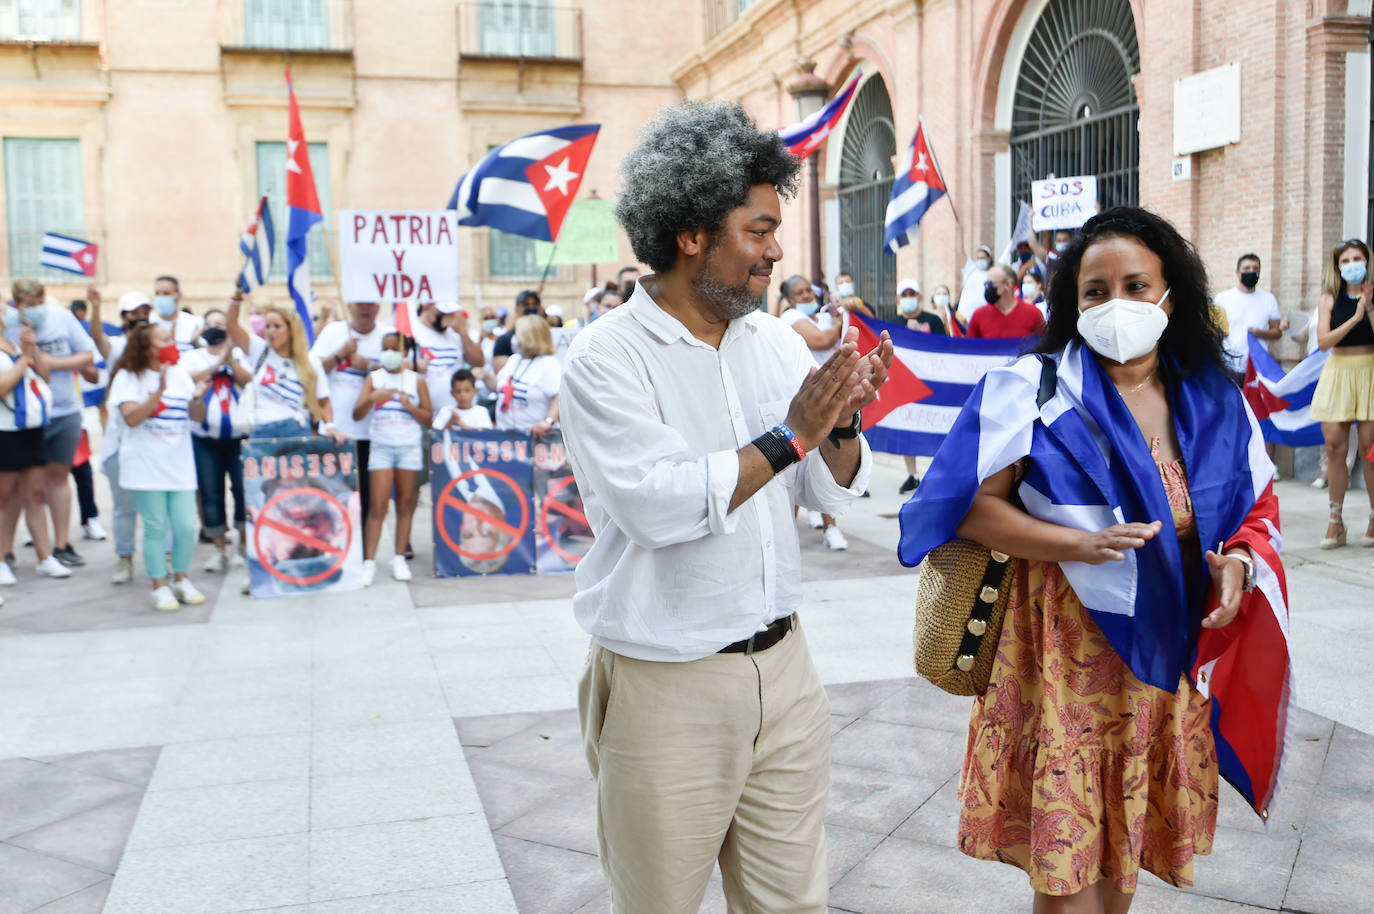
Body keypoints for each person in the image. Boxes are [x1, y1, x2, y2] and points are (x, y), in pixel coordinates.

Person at [899, 206, 1290, 913]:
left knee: (1119, 865)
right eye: (1096, 291)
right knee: (1067, 876)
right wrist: (1076, 544)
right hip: (1062, 662)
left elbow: (1255, 506)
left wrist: (1237, 561)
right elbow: (967, 506)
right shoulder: (1033, 390)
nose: (1117, 305)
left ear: (1171, 295)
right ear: (1073, 305)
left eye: (1136, 286)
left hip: (1159, 664)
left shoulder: (1214, 402)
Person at [561, 100, 892, 914]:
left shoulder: (774, 342)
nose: (776, 251)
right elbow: (657, 507)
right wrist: (794, 433)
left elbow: (825, 490)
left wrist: (841, 421)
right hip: (665, 685)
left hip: (785, 672)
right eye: (758, 230)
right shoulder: (606, 357)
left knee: (793, 904)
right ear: (691, 235)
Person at [108, 321, 210, 611]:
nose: (171, 345)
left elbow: (197, 417)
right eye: (164, 340)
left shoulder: (180, 374)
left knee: (185, 526)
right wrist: (159, 390)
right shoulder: (128, 377)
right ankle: (159, 585)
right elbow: (131, 418)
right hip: (145, 466)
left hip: (179, 464)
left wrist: (198, 398)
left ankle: (181, 578)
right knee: (155, 526)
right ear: (147, 347)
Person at [3, 279, 95, 569]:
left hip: (64, 411)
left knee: (57, 479)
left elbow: (87, 355)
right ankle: (7, 552)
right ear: (18, 305)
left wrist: (52, 362)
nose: (36, 308)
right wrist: (27, 352)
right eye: (29, 304)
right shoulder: (9, 326)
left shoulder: (62, 317)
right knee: (17, 489)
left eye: (39, 301)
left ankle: (61, 546)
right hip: (23, 420)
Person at [0, 300, 69, 585]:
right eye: (2, 306)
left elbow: (45, 377)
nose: (8, 310)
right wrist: (25, 357)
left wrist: (32, 350)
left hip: (30, 428)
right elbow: (2, 387)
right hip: (4, 430)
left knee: (36, 494)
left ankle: (45, 557)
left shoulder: (15, 343)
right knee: (4, 497)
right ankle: (2, 560)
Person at [1311, 239, 1374, 549]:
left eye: (1357, 258)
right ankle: (1336, 522)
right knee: (1335, 448)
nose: (1352, 265)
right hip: (1338, 373)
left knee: (1370, 450)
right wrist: (1355, 317)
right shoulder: (1329, 299)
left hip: (1370, 372)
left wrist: (1369, 307)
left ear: (1367, 261)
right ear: (1337, 266)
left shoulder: (1372, 295)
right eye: (1345, 260)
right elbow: (1324, 341)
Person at [354, 331, 431, 585]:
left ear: (405, 352)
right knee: (378, 506)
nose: (389, 353)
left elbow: (428, 417)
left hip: (409, 446)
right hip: (382, 447)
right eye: (385, 348)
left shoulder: (416, 380)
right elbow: (357, 414)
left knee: (406, 503)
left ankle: (399, 558)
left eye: (394, 349)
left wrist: (410, 406)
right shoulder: (374, 378)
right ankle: (369, 562)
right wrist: (373, 398)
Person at [780, 274, 851, 550]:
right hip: (803, 403)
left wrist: (845, 311)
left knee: (825, 466)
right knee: (796, 464)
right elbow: (822, 340)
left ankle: (831, 527)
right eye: (800, 293)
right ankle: (787, 532)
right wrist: (841, 322)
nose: (807, 296)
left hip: (830, 400)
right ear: (789, 299)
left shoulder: (823, 316)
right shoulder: (790, 318)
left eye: (809, 290)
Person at [311, 300, 393, 527]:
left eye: (371, 303)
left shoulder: (388, 335)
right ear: (349, 306)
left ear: (379, 307)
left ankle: (365, 545)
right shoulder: (332, 331)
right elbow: (313, 371)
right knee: (334, 499)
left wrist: (369, 366)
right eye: (360, 303)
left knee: (369, 500)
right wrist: (340, 355)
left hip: (375, 433)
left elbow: (401, 374)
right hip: (336, 431)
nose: (365, 308)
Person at [90, 289, 153, 584]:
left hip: (154, 442)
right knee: (124, 507)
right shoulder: (116, 347)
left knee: (157, 508)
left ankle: (163, 560)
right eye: (134, 312)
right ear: (124, 316)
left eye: (145, 311)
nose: (140, 317)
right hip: (120, 443)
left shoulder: (158, 348)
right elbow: (98, 339)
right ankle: (124, 558)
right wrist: (95, 306)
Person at [226, 293, 344, 442]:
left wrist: (330, 427)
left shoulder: (310, 360)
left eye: (277, 326)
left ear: (291, 329)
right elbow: (231, 325)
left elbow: (324, 399)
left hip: (296, 429)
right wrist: (237, 294)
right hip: (262, 430)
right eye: (267, 326)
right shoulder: (260, 350)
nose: (271, 331)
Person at [183, 322, 250, 572]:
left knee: (243, 490)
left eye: (219, 324)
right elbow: (189, 379)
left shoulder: (242, 354)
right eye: (209, 324)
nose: (215, 329)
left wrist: (230, 359)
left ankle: (243, 547)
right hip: (205, 439)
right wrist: (218, 361)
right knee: (210, 493)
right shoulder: (192, 357)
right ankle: (219, 550)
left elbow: (250, 381)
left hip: (239, 438)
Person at [489, 315, 561, 438]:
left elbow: (560, 397)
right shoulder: (514, 359)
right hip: (508, 437)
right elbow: (500, 386)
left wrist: (548, 422)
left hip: (537, 438)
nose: (514, 337)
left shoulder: (548, 363)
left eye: (517, 333)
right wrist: (484, 376)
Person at [1214, 253, 1282, 377]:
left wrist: (1260, 333)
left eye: (1255, 268)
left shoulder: (1269, 299)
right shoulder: (1222, 299)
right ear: (1238, 272)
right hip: (1228, 365)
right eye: (1246, 268)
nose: (1251, 271)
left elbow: (1277, 332)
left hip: (1257, 367)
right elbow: (1214, 331)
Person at [410, 301, 484, 413]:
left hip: (457, 412)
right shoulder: (411, 330)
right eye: (442, 312)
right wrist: (413, 365)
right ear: (426, 307)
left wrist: (463, 332)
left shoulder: (455, 333)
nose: (447, 317)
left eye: (451, 313)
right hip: (424, 413)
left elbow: (478, 362)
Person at [966, 264, 1046, 339]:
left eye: (990, 284)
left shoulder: (1033, 314)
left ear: (1007, 284)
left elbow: (1044, 344)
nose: (987, 287)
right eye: (986, 283)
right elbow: (969, 347)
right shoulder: (979, 315)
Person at [491, 290, 542, 374]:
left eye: (535, 304)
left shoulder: (547, 336)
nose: (531, 308)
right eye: (526, 305)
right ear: (517, 309)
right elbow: (502, 375)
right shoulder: (504, 340)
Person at [151, 275, 205, 355]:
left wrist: (195, 342)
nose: (161, 297)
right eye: (157, 293)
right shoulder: (149, 322)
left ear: (179, 296)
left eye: (166, 293)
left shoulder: (196, 322)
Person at [432, 368, 493, 434]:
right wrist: (450, 422)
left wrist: (459, 422)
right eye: (458, 391)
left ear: (475, 391)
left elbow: (483, 436)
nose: (462, 395)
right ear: (452, 393)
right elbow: (437, 435)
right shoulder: (446, 411)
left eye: (467, 390)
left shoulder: (481, 412)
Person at [957, 243, 996, 323]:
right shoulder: (970, 269)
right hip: (963, 317)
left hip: (983, 320)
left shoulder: (995, 274)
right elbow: (960, 252)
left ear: (989, 259)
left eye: (982, 258)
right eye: (978, 258)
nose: (980, 260)